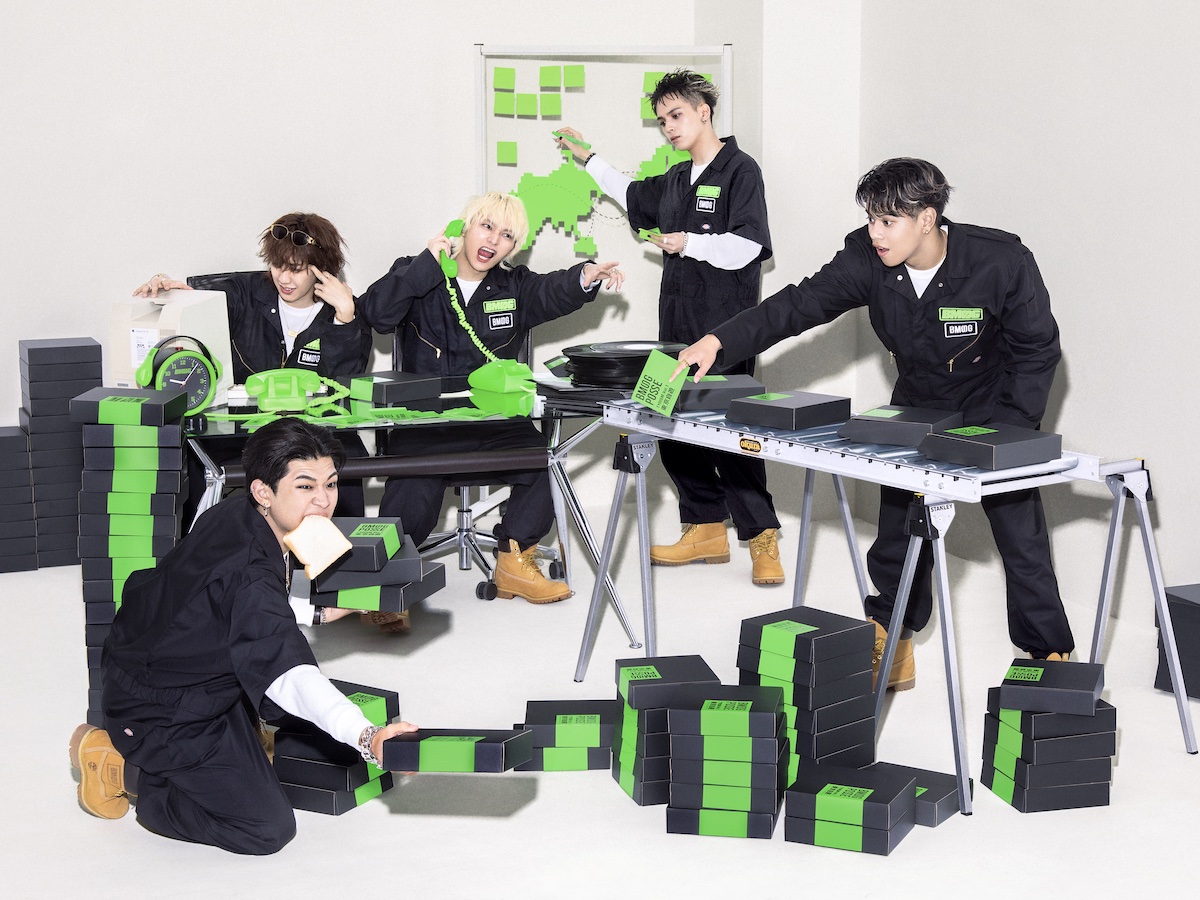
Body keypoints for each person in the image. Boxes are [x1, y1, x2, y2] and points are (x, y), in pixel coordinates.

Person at [673, 157, 1073, 690]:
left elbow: (1037, 349)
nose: (875, 233)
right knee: (899, 530)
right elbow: (799, 304)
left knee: (1020, 536)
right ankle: (893, 637)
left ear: (927, 219)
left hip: (995, 406)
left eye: (888, 221)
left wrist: (1011, 433)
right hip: (917, 404)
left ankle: (1049, 655)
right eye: (870, 219)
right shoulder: (866, 257)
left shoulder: (999, 260)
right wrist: (718, 340)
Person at [68, 418, 417, 854]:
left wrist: (323, 613)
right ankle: (121, 768)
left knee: (280, 731)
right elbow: (291, 675)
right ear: (263, 491)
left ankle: (234, 740)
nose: (324, 500)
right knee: (267, 828)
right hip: (162, 708)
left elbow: (228, 603)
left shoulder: (237, 511)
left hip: (165, 661)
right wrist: (368, 737)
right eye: (305, 486)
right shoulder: (250, 572)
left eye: (330, 483)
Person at [555, 69, 785, 586]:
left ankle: (762, 535)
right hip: (674, 331)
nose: (669, 127)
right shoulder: (677, 178)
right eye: (662, 120)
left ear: (704, 111)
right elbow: (630, 193)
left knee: (733, 433)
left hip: (726, 332)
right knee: (669, 424)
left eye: (676, 115)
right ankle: (704, 527)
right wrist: (588, 158)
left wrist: (690, 243)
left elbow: (749, 246)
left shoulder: (741, 170)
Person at [357, 192, 623, 604]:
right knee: (411, 490)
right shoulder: (417, 273)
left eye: (507, 236)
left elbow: (552, 290)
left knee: (545, 463)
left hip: (495, 422)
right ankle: (386, 576)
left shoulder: (514, 286)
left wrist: (585, 276)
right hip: (428, 423)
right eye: (487, 227)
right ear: (464, 226)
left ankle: (513, 560)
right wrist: (425, 267)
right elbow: (375, 314)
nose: (494, 240)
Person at [133, 212, 373, 524]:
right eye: (277, 265)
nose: (284, 278)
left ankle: (342, 549)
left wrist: (345, 318)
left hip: (316, 435)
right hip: (244, 432)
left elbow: (346, 384)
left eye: (296, 269)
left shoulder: (345, 310)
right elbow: (199, 310)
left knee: (347, 457)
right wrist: (171, 292)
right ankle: (196, 544)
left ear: (321, 269)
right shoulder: (244, 293)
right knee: (189, 451)